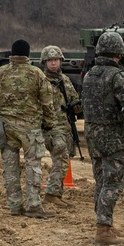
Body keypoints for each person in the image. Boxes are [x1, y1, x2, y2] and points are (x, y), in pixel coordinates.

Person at [81, 31, 124, 245]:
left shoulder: (90, 74)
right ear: (119, 53)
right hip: (113, 137)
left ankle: (105, 224)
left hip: (93, 135)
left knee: (101, 181)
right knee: (114, 183)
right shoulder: (117, 76)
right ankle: (103, 228)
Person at [0, 38, 57, 218]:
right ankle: (33, 205)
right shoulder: (36, 74)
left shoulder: (0, 73)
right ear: (27, 54)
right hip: (30, 130)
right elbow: (48, 102)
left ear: (12, 54)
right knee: (33, 166)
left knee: (10, 168)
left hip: (7, 129)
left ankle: (15, 206)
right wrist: (49, 123)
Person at [40, 45, 81, 207]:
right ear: (45, 62)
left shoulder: (64, 80)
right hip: (50, 128)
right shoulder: (41, 80)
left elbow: (74, 101)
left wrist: (74, 107)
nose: (53, 64)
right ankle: (51, 193)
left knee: (63, 158)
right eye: (50, 60)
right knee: (62, 159)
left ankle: (57, 193)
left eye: (56, 60)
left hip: (65, 126)